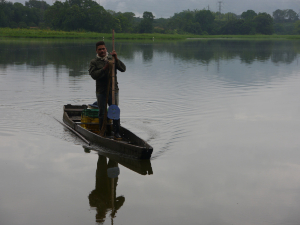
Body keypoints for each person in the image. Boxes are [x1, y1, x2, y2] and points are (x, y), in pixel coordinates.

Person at [89, 41, 126, 139]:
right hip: (101, 91)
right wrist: (105, 68)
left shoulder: (112, 58)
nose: (102, 51)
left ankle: (116, 133)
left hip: (113, 90)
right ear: (96, 50)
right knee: (102, 112)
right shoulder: (94, 62)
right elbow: (94, 75)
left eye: (103, 49)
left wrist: (116, 58)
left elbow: (123, 69)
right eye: (100, 49)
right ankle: (103, 132)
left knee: (114, 111)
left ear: (106, 49)